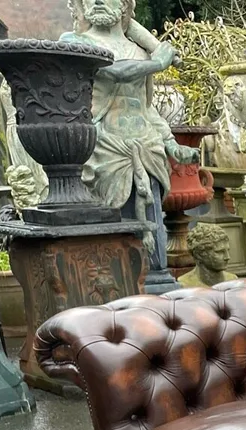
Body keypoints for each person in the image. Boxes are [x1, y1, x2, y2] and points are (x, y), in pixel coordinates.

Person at [61, 0, 196, 291]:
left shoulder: (140, 49)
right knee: (111, 229)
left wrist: (171, 143)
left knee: (151, 227)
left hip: (146, 146)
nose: (97, 1)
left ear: (124, 6)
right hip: (103, 149)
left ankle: (155, 280)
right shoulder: (73, 42)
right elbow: (112, 71)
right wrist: (157, 63)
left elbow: (145, 107)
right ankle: (115, 286)